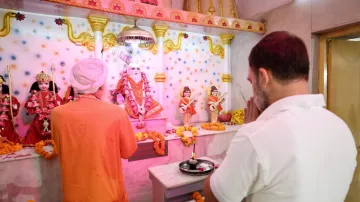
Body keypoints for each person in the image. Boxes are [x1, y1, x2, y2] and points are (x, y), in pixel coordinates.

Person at [204, 31, 357, 202]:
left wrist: (248, 130)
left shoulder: (255, 137)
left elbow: (214, 197)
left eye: (251, 81)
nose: (252, 90)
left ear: (263, 77)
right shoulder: (341, 128)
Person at [51, 58, 137, 202]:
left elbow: (59, 148)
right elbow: (129, 151)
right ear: (100, 86)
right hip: (108, 193)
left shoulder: (57, 114)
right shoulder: (116, 112)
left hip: (73, 194)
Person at [115, 61, 163, 128]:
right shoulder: (125, 79)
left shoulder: (143, 79)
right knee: (122, 109)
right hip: (130, 101)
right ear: (129, 70)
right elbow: (119, 90)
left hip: (145, 101)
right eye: (133, 68)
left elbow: (147, 91)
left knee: (158, 106)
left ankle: (158, 126)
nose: (136, 70)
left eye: (138, 68)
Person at [22, 71, 63, 145]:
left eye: (46, 83)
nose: (43, 86)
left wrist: (55, 102)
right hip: (39, 118)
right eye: (40, 84)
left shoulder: (53, 94)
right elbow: (28, 104)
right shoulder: (35, 95)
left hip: (51, 117)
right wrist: (37, 109)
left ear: (49, 84)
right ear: (37, 84)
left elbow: (60, 105)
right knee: (36, 132)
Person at [0, 75, 20, 142]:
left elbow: (14, 109)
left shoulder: (9, 98)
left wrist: (14, 107)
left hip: (5, 120)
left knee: (6, 130)